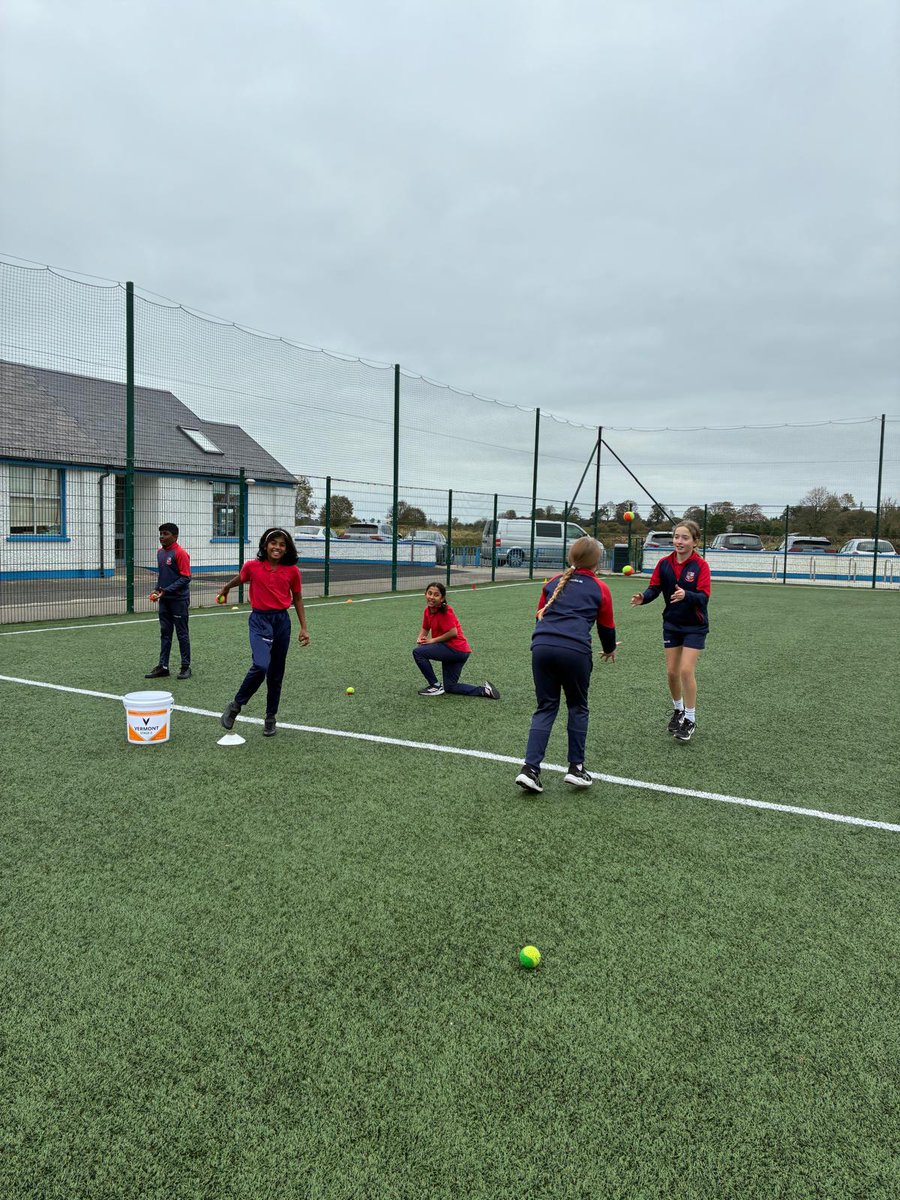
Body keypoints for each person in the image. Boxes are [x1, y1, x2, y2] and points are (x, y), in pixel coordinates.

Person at [516, 537, 618, 794]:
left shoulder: (552, 583)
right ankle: (576, 768)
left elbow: (539, 615)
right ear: (598, 562)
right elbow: (607, 628)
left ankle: (530, 769)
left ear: (570, 558)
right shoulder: (600, 588)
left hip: (541, 648)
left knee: (546, 707)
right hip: (575, 652)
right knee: (578, 706)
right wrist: (609, 650)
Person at [217, 527, 310, 736]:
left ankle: (270, 718)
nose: (277, 547)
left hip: (282, 622)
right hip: (259, 621)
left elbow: (297, 597)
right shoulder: (252, 566)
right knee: (261, 664)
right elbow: (240, 578)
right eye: (273, 543)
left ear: (287, 549)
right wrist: (226, 588)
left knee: (276, 674)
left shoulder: (292, 571)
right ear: (265, 546)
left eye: (282, 544)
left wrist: (304, 627)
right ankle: (235, 706)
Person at [630, 519, 710, 742]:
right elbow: (654, 588)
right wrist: (643, 598)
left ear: (695, 542)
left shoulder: (701, 566)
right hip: (672, 625)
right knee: (672, 672)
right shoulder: (664, 564)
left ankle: (691, 719)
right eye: (676, 537)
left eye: (685, 538)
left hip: (695, 626)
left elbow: (704, 597)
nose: (679, 541)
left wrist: (687, 595)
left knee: (685, 670)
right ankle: (679, 711)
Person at [413, 581, 500, 700]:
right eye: (429, 593)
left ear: (442, 598)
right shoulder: (427, 611)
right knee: (450, 687)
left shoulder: (446, 611)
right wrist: (420, 638)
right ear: (425, 594)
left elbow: (453, 633)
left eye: (436, 595)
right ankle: (485, 691)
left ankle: (435, 685)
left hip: (454, 649)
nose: (432, 597)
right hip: (460, 651)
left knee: (418, 652)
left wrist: (432, 640)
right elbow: (425, 628)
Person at [146, 522, 192, 680]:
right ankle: (163, 667)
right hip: (164, 600)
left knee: (182, 634)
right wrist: (157, 588)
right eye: (161, 534)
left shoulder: (181, 553)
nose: (162, 537)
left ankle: (186, 667)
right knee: (165, 633)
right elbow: (163, 576)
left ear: (175, 536)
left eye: (165, 534)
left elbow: (186, 577)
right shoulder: (160, 553)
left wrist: (165, 591)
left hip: (179, 600)